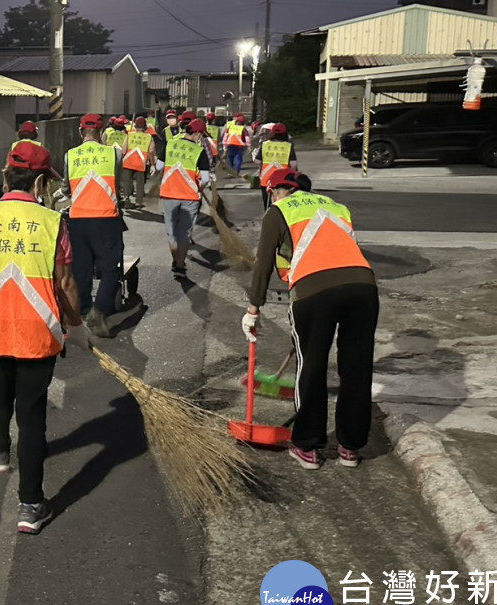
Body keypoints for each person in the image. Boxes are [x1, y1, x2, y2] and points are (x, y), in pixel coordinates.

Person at [0, 141, 87, 535]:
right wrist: (78, 326)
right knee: (32, 416)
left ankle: (0, 450)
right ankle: (31, 506)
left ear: (6, 174)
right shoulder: (53, 223)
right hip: (37, 332)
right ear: (38, 181)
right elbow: (65, 283)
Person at [241, 167, 378, 471]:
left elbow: (263, 262)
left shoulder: (278, 211)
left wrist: (253, 308)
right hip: (363, 287)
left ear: (275, 191)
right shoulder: (336, 206)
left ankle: (308, 446)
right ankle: (350, 448)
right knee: (356, 367)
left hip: (314, 292)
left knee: (312, 365)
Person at [64, 114, 124, 337]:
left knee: (82, 268)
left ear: (81, 132)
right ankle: (99, 311)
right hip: (107, 218)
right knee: (109, 269)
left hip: (78, 220)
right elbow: (116, 184)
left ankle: (83, 309)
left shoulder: (70, 156)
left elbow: (67, 188)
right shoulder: (113, 153)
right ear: (101, 133)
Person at [158, 117, 211, 276]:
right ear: (198, 134)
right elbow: (206, 178)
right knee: (185, 232)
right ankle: (180, 265)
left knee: (171, 231)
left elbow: (159, 166)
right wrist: (199, 186)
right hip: (190, 197)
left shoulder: (170, 144)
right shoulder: (199, 151)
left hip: (168, 194)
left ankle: (176, 260)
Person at [257, 123, 298, 208]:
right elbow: (294, 165)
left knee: (267, 205)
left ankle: (268, 219)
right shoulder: (288, 146)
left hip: (266, 180)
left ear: (271, 133)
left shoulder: (264, 145)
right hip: (283, 180)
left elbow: (257, 161)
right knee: (282, 205)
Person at [123, 116, 157, 209]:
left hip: (128, 162)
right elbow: (151, 152)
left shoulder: (129, 135)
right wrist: (152, 165)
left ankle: (126, 199)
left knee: (127, 182)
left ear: (135, 126)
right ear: (145, 127)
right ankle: (138, 202)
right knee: (140, 183)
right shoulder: (148, 137)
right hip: (140, 164)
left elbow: (123, 149)